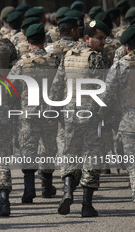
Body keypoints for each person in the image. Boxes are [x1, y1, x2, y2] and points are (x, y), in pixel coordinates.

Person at [49, 19, 110, 217]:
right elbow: (102, 90)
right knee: (92, 156)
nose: (103, 42)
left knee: (70, 153)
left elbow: (58, 85)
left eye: (104, 39)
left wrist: (53, 108)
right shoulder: (96, 59)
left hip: (69, 113)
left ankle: (67, 191)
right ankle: (86, 205)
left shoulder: (68, 56)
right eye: (99, 38)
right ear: (87, 38)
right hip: (89, 115)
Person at [10, 23, 59, 205]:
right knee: (48, 150)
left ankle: (28, 189)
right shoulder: (55, 62)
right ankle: (47, 188)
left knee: (28, 151)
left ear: (28, 41)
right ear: (44, 40)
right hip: (49, 115)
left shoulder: (21, 63)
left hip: (28, 115)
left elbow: (11, 90)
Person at [99, 25, 135, 203]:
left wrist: (102, 114)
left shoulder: (120, 66)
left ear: (127, 47)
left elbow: (107, 95)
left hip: (129, 122)